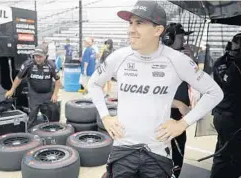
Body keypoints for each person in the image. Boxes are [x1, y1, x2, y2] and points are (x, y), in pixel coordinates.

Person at [88, 1, 223, 177]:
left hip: (157, 153)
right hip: (123, 151)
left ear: (158, 30)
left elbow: (215, 92)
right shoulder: (119, 57)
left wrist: (183, 123)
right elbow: (93, 83)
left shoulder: (177, 60)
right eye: (130, 23)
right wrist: (105, 117)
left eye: (139, 23)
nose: (131, 29)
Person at [5, 45, 61, 130]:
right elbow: (18, 78)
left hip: (48, 94)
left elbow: (58, 81)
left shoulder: (51, 65)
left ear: (45, 56)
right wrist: (12, 90)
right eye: (36, 56)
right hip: (34, 95)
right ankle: (31, 136)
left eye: (40, 57)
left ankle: (54, 132)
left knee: (53, 114)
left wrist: (55, 94)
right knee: (32, 117)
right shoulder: (28, 64)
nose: (38, 59)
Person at [162, 22, 192, 178]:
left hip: (180, 119)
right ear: (169, 38)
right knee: (166, 161)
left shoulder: (182, 58)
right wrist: (177, 103)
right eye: (181, 38)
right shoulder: (160, 60)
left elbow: (196, 83)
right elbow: (152, 92)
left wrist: (191, 60)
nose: (184, 42)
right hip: (166, 119)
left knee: (177, 160)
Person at [211, 33, 241, 178]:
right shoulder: (236, 65)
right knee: (232, 158)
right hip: (233, 119)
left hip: (221, 115)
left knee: (223, 155)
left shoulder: (221, 62)